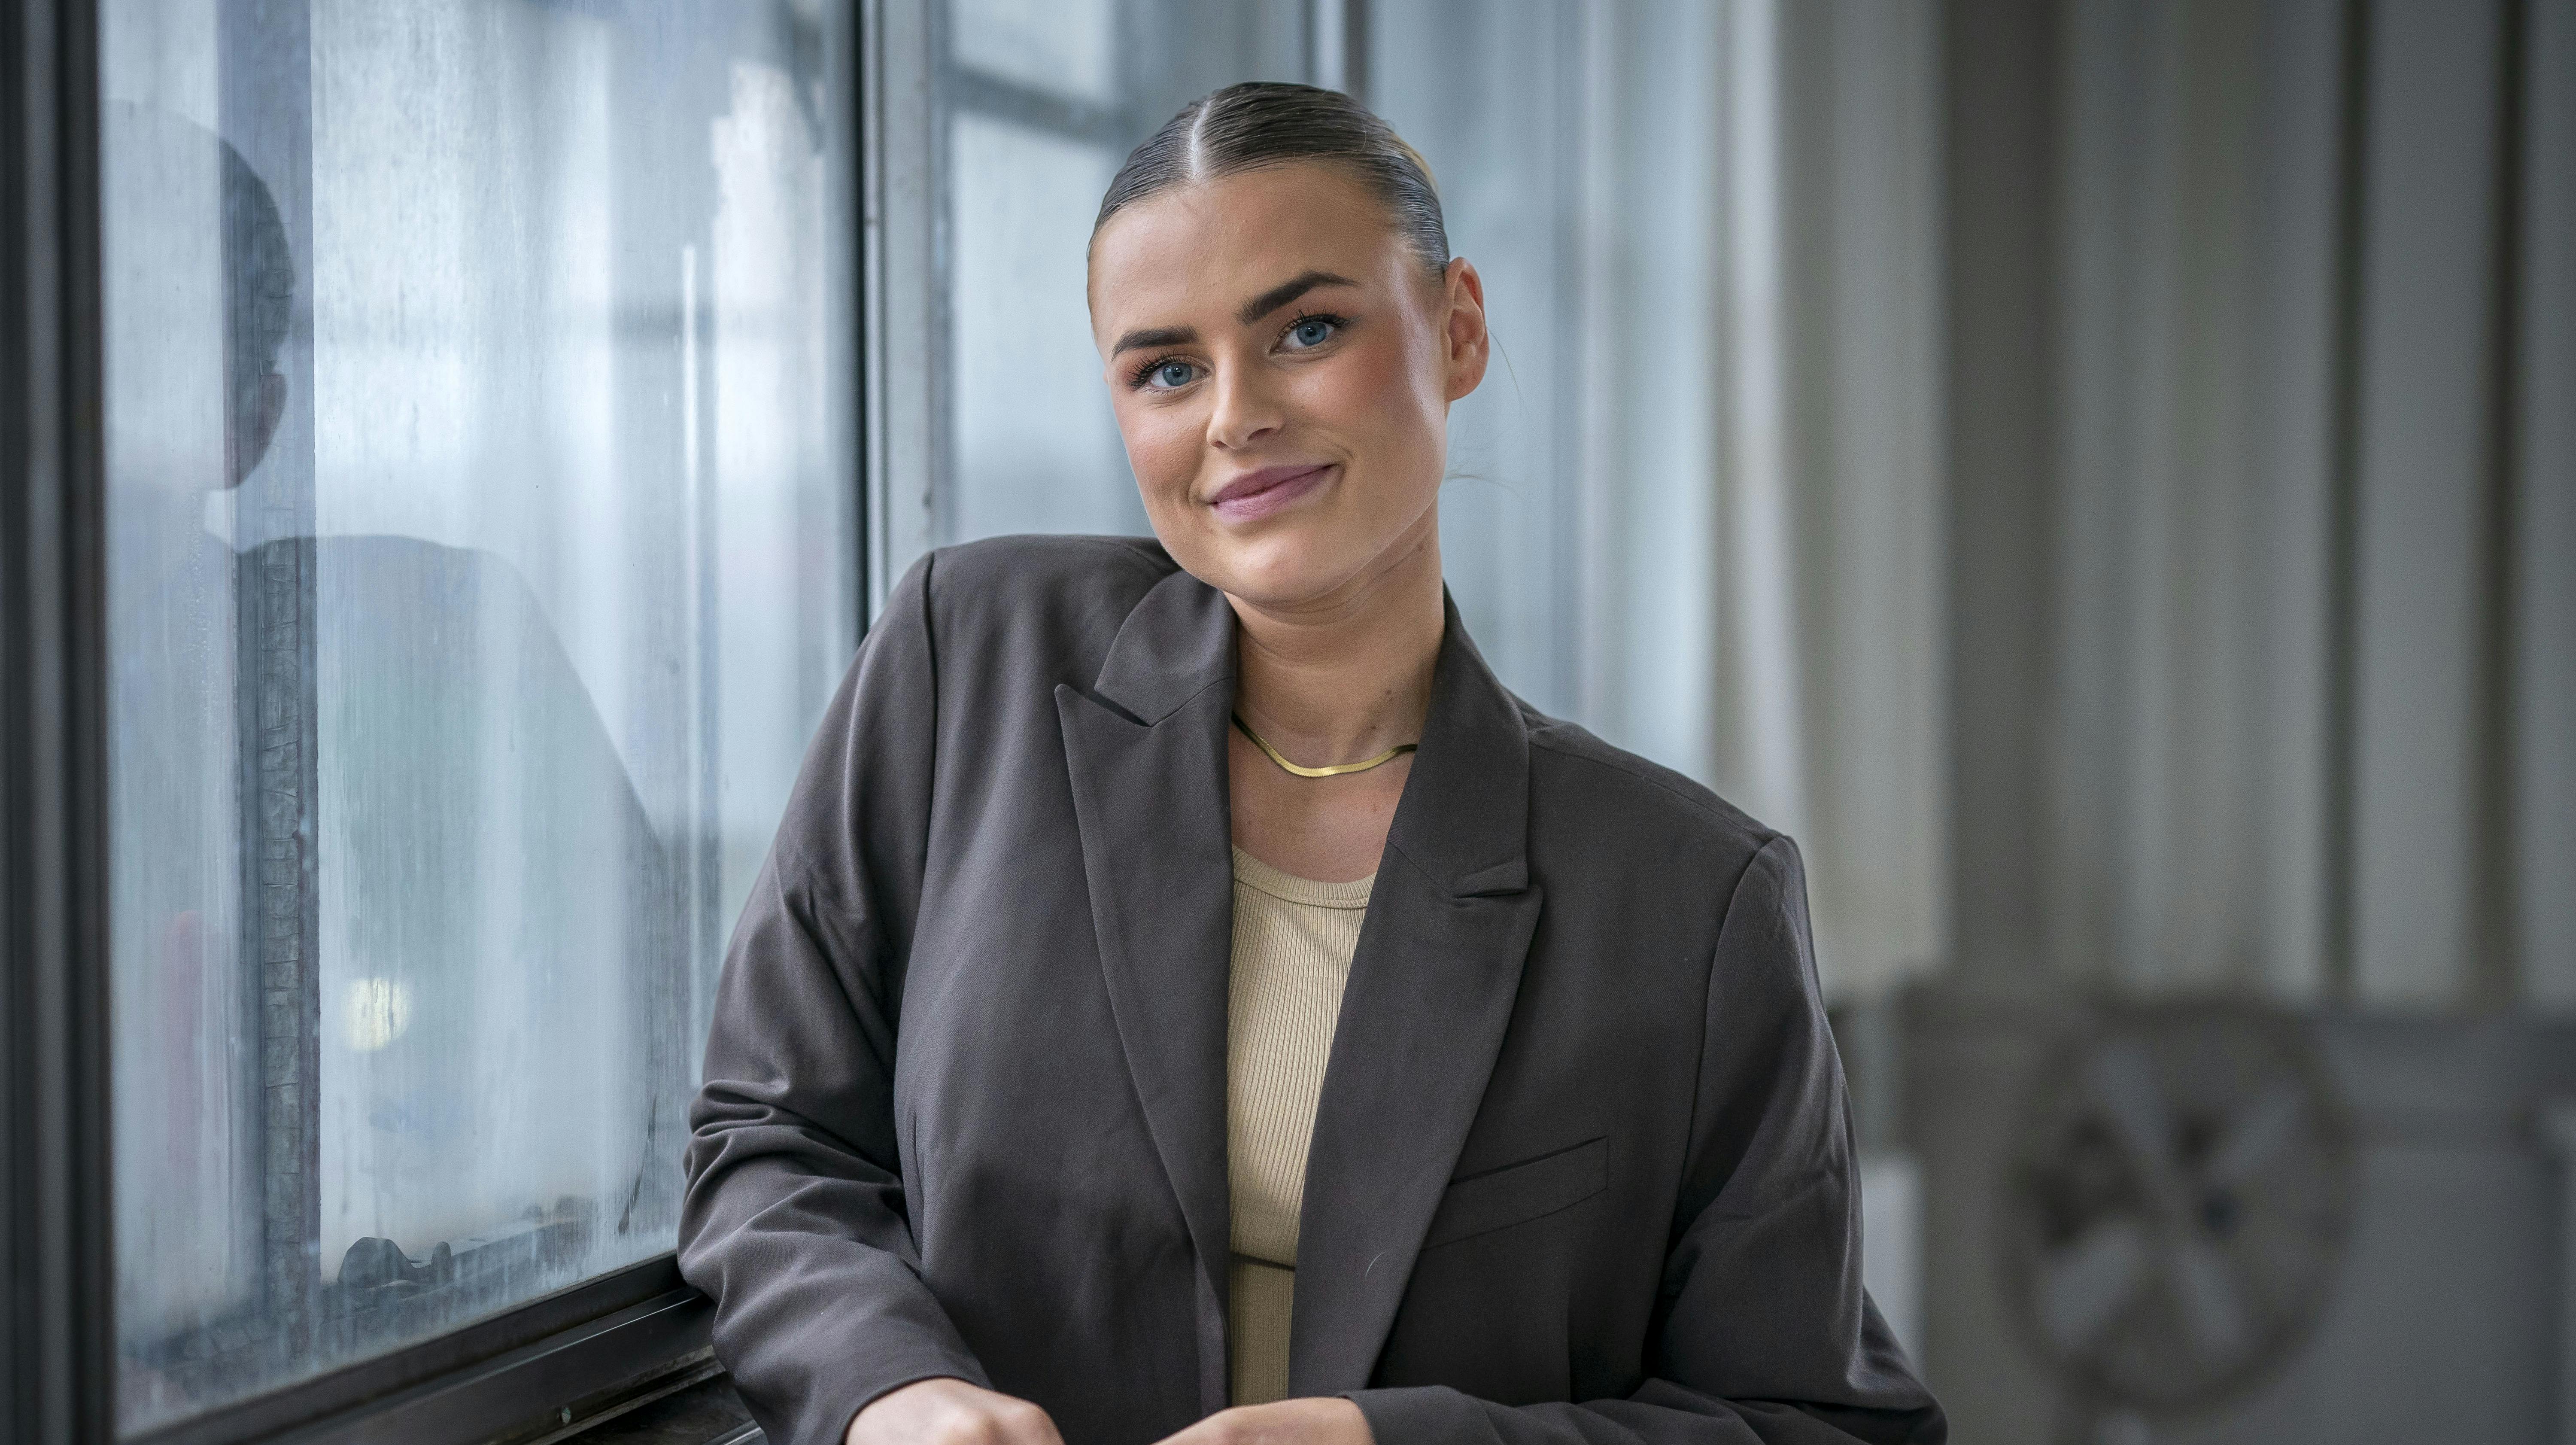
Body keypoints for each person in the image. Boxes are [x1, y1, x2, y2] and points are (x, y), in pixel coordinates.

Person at [679, 82, 1944, 1445]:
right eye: (1166, 368)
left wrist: (1394, 1444)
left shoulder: (1692, 897)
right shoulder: (959, 666)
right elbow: (770, 1141)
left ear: (1456, 329)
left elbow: (1826, 1428)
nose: (1235, 416)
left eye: (1308, 330)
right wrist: (895, 1393)